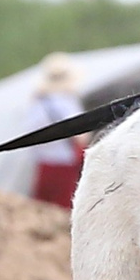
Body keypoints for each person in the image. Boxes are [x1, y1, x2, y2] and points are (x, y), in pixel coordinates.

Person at [27, 54, 87, 210]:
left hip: (43, 164)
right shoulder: (67, 103)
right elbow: (80, 136)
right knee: (64, 209)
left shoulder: (37, 104)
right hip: (64, 165)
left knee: (42, 209)